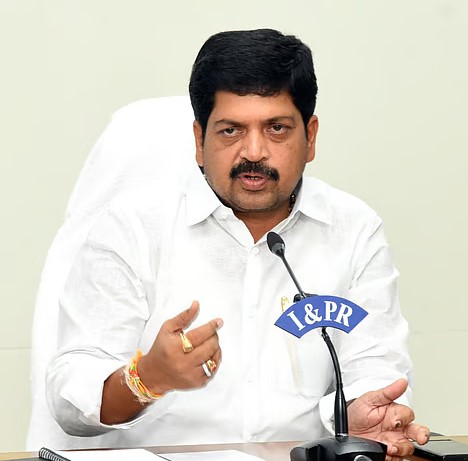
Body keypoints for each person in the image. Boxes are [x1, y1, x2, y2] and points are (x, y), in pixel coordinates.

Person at [46, 29, 429, 457]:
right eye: (230, 130)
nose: (254, 152)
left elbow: (375, 365)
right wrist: (148, 378)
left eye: (277, 128)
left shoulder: (354, 229)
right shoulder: (132, 228)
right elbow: (70, 400)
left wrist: (361, 413)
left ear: (311, 136)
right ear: (199, 141)